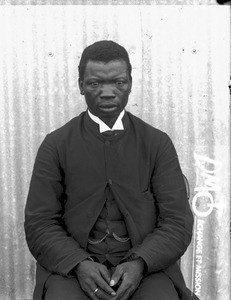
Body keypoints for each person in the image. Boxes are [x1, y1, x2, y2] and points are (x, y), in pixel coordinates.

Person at [24, 40, 199, 300]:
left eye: (118, 82)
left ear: (130, 83)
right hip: (72, 270)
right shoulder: (56, 144)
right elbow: (40, 222)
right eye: (95, 83)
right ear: (81, 85)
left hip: (147, 269)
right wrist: (78, 263)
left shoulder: (156, 143)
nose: (107, 92)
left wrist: (140, 263)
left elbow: (177, 222)